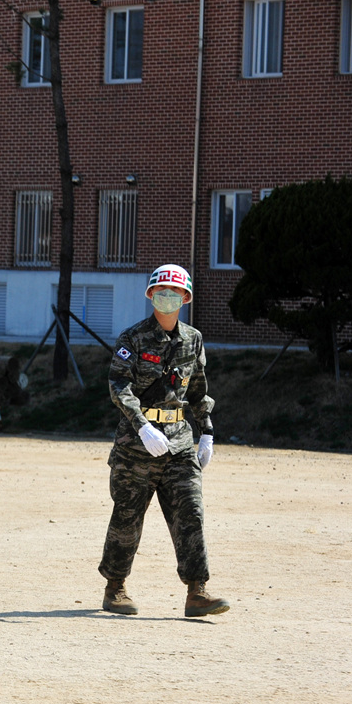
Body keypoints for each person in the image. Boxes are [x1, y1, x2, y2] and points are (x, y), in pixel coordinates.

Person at [99, 263, 230, 618]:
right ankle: (115, 588)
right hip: (136, 444)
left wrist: (207, 432)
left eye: (175, 293)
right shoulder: (133, 338)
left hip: (179, 442)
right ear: (151, 296)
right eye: (161, 293)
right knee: (128, 517)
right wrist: (142, 426)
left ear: (186, 298)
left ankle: (197, 592)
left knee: (191, 511)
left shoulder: (193, 339)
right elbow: (119, 386)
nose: (168, 298)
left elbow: (199, 390)